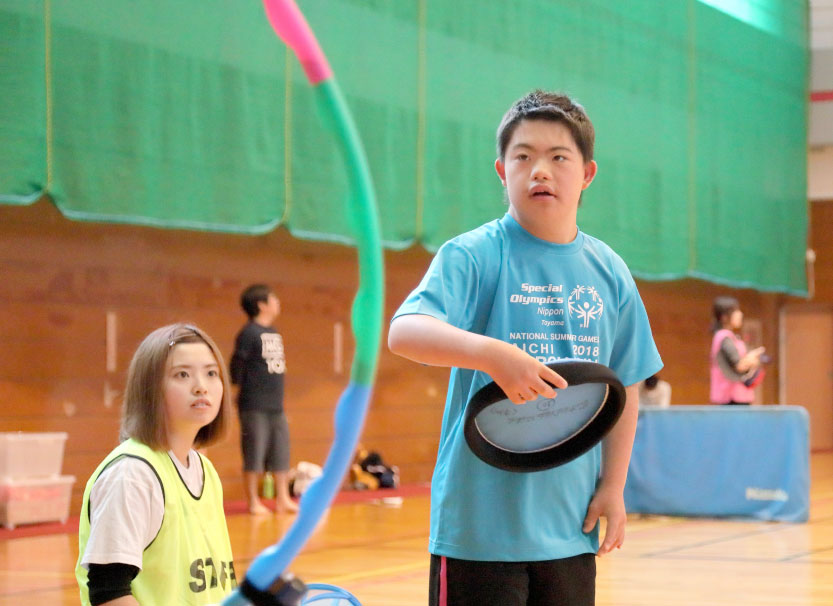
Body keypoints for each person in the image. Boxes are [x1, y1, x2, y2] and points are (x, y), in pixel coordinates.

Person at [388, 90, 663, 606]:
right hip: (478, 533)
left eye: (558, 157)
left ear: (587, 174)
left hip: (570, 528)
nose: (540, 171)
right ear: (502, 171)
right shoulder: (474, 254)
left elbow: (625, 382)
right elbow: (405, 331)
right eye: (523, 156)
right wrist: (493, 355)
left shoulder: (610, 272)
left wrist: (613, 486)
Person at [76, 323, 236, 605]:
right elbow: (109, 593)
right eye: (182, 374)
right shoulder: (132, 474)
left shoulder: (205, 471)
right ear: (150, 388)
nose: (201, 386)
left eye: (211, 373)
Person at [230, 284, 298, 514]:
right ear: (261, 305)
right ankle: (253, 501)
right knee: (254, 452)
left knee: (281, 450)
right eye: (273, 299)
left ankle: (283, 498)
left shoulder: (274, 332)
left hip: (275, 405)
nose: (277, 303)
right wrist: (236, 391)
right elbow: (236, 365)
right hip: (254, 404)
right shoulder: (248, 333)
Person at [709, 296, 766, 405]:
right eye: (736, 311)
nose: (740, 314)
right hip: (731, 398)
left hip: (737, 396)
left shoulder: (730, 337)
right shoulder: (724, 337)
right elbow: (739, 365)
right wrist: (752, 358)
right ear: (724, 317)